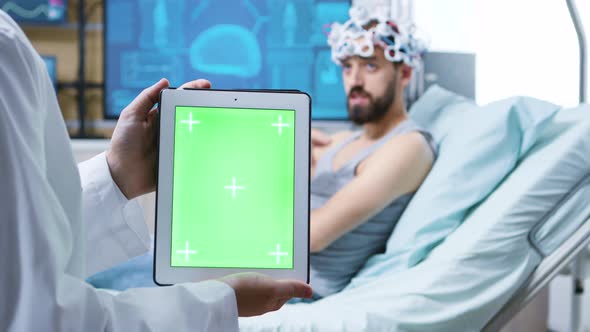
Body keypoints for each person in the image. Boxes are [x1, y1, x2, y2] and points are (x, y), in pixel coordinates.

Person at [0, 10, 311, 331]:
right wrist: (219, 302)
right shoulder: (4, 47)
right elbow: (35, 313)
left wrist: (119, 174)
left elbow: (20, 266)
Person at [305, 6, 437, 299]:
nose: (355, 81)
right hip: (261, 272)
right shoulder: (339, 141)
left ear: (403, 73)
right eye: (348, 67)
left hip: (299, 293)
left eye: (370, 66)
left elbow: (313, 235)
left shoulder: (408, 147)